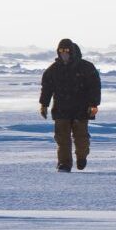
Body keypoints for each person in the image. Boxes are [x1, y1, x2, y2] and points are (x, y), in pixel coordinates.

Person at [39, 38, 101, 172]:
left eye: (66, 51)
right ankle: (64, 164)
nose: (64, 53)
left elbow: (94, 87)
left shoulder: (86, 67)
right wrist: (44, 104)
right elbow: (47, 88)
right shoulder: (53, 70)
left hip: (81, 109)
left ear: (72, 51)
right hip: (61, 109)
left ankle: (82, 157)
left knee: (81, 138)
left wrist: (93, 104)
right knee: (62, 139)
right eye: (61, 51)